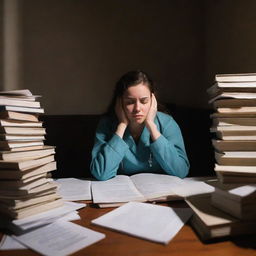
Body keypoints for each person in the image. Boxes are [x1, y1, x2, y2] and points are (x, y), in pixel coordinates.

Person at [90, 70, 189, 181]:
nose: (137, 108)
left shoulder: (167, 123)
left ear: (153, 100)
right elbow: (100, 173)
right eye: (130, 102)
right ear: (119, 102)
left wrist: (152, 127)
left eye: (144, 101)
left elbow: (181, 171)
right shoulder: (106, 125)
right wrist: (122, 126)